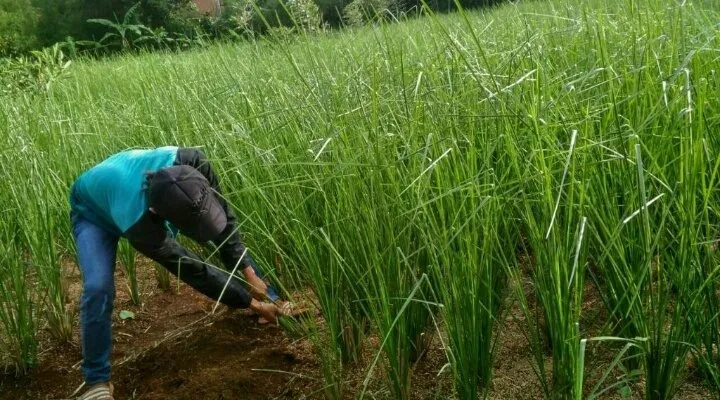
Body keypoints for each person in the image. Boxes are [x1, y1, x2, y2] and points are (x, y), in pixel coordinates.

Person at [70, 146, 287, 400]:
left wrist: (249, 274)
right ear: (158, 214)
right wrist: (252, 305)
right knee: (98, 287)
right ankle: (97, 381)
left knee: (224, 233)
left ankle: (270, 296)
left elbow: (225, 223)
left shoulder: (194, 162)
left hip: (120, 182)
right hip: (93, 211)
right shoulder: (143, 229)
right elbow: (192, 269)